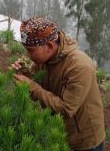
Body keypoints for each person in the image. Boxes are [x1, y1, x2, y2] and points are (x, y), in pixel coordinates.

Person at [12, 17, 105, 151]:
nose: (28, 55)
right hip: (59, 132)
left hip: (84, 140)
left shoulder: (80, 66)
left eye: (31, 50)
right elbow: (40, 87)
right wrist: (25, 75)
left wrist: (32, 87)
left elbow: (66, 109)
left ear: (49, 46)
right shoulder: (46, 60)